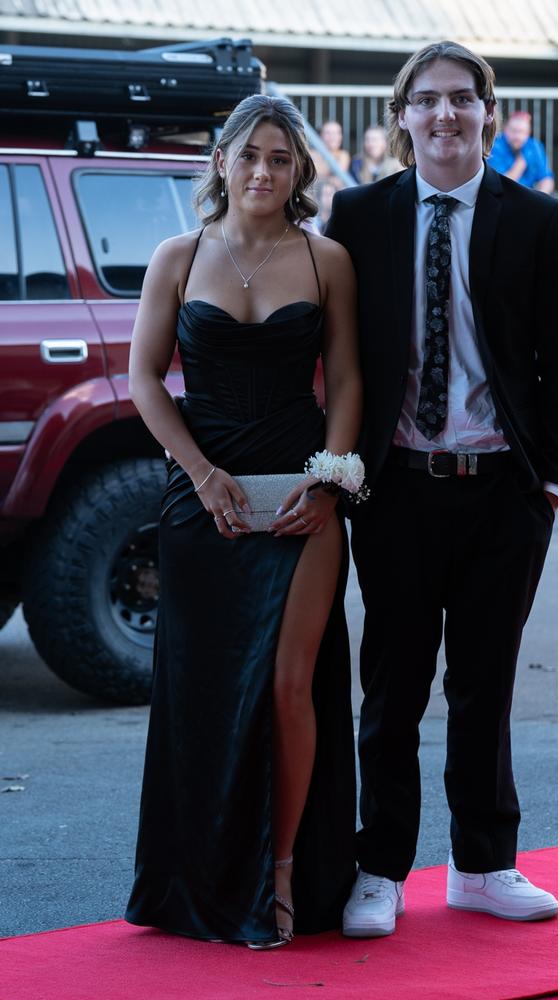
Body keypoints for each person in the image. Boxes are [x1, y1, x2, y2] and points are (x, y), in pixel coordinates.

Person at [326, 40, 558, 937]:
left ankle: (483, 863)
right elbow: (331, 351)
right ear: (401, 115)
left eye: (462, 99)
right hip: (395, 486)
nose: (445, 114)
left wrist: (550, 484)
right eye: (427, 100)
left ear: (485, 110)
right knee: (392, 687)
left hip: (500, 493)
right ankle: (380, 869)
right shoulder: (356, 215)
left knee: (486, 684)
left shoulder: (539, 220)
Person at [125, 94, 362, 947]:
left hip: (304, 500)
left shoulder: (326, 257)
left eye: (281, 158)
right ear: (221, 162)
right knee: (203, 690)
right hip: (204, 501)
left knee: (291, 685)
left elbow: (346, 384)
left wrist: (330, 484)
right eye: (249, 154)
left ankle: (284, 869)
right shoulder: (177, 257)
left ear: (300, 172)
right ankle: (206, 875)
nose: (263, 171)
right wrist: (200, 475)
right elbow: (146, 379)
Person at [488, 110, 554, 193]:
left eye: (522, 132)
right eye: (514, 131)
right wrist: (522, 161)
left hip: (530, 198)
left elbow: (546, 178)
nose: (517, 136)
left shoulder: (534, 145)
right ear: (505, 129)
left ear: (528, 132)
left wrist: (541, 198)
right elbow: (502, 184)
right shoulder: (495, 146)